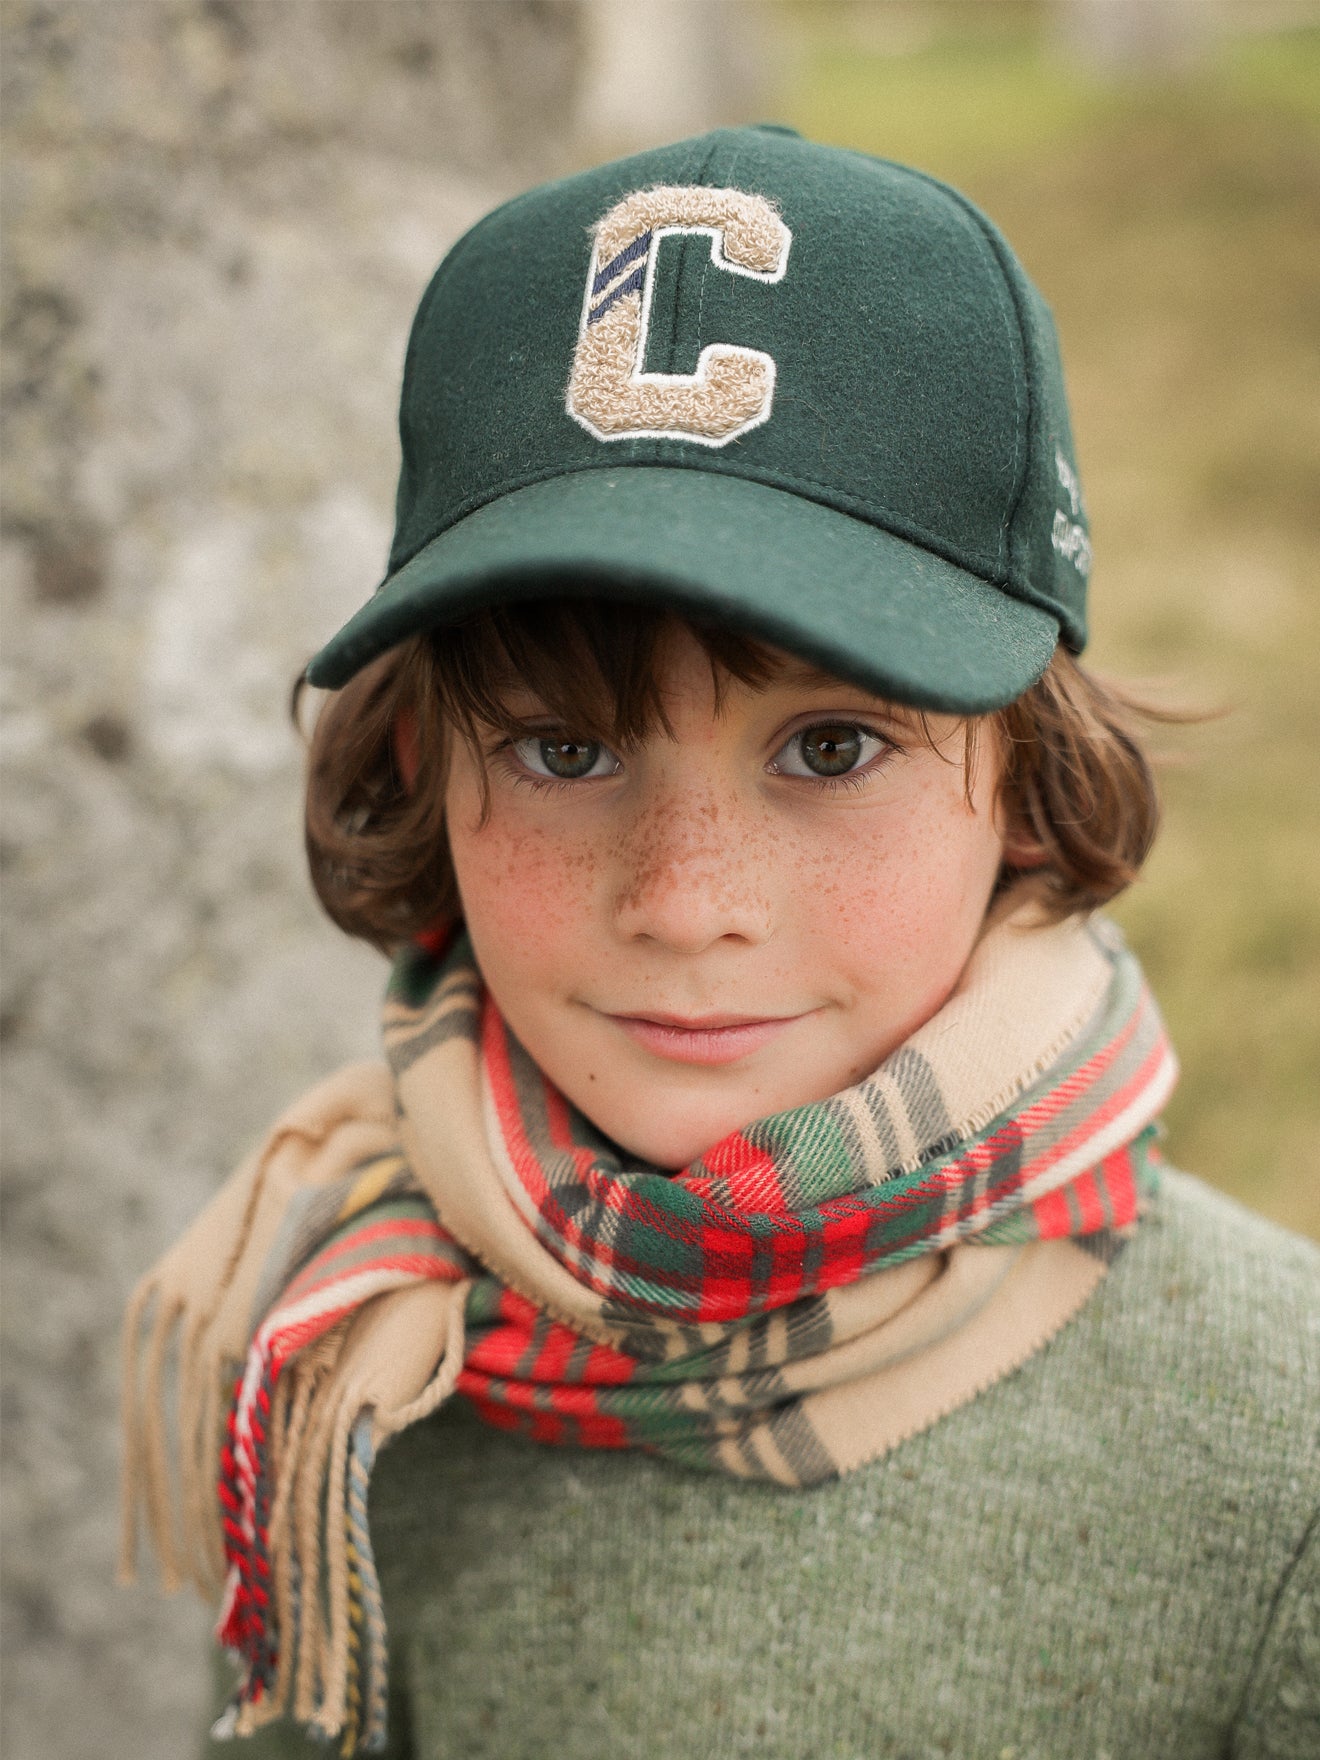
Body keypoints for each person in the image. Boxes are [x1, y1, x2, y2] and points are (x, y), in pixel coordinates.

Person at [120, 127, 1318, 1759]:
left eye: (829, 750)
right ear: (419, 773)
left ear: (1026, 780)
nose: (685, 904)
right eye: (564, 750)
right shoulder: (347, 1374)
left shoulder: (1279, 1456)